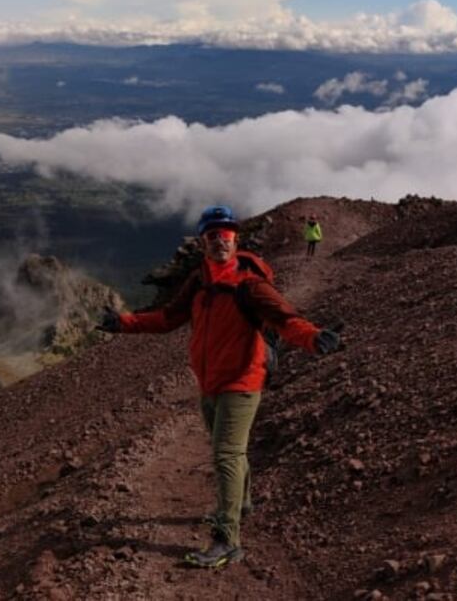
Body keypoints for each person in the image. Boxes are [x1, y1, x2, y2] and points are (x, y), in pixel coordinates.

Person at [97, 205, 340, 568]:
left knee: (225, 454)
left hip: (242, 381)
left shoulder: (250, 285)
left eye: (226, 234)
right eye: (213, 234)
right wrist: (123, 323)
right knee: (229, 451)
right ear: (203, 241)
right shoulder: (199, 282)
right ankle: (241, 504)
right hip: (209, 382)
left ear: (235, 239)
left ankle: (227, 540)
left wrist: (313, 338)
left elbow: (286, 320)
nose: (220, 240)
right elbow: (167, 319)